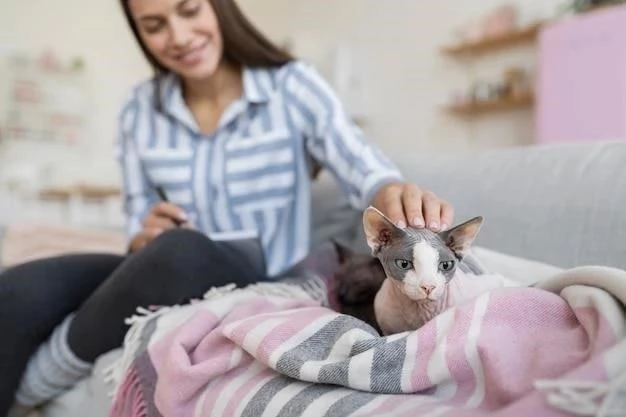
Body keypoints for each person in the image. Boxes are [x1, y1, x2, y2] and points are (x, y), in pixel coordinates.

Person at [0, 0, 454, 415]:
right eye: (155, 25)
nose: (177, 36)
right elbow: (138, 217)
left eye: (189, 10)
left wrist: (394, 193)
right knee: (17, 286)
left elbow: (365, 170)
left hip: (255, 275)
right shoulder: (139, 110)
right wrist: (145, 230)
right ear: (139, 31)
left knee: (181, 250)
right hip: (161, 264)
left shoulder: (292, 86)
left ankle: (36, 383)